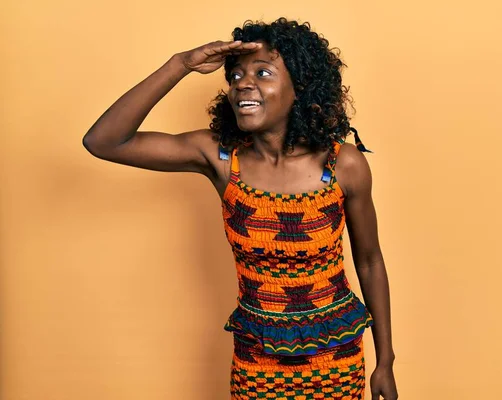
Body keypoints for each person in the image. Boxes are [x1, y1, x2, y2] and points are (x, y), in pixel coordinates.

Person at [83, 17, 397, 400]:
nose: (243, 84)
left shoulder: (342, 164)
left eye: (263, 73)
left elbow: (369, 261)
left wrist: (385, 361)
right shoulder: (220, 158)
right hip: (256, 356)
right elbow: (104, 141)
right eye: (234, 77)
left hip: (335, 353)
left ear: (300, 85)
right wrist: (180, 64)